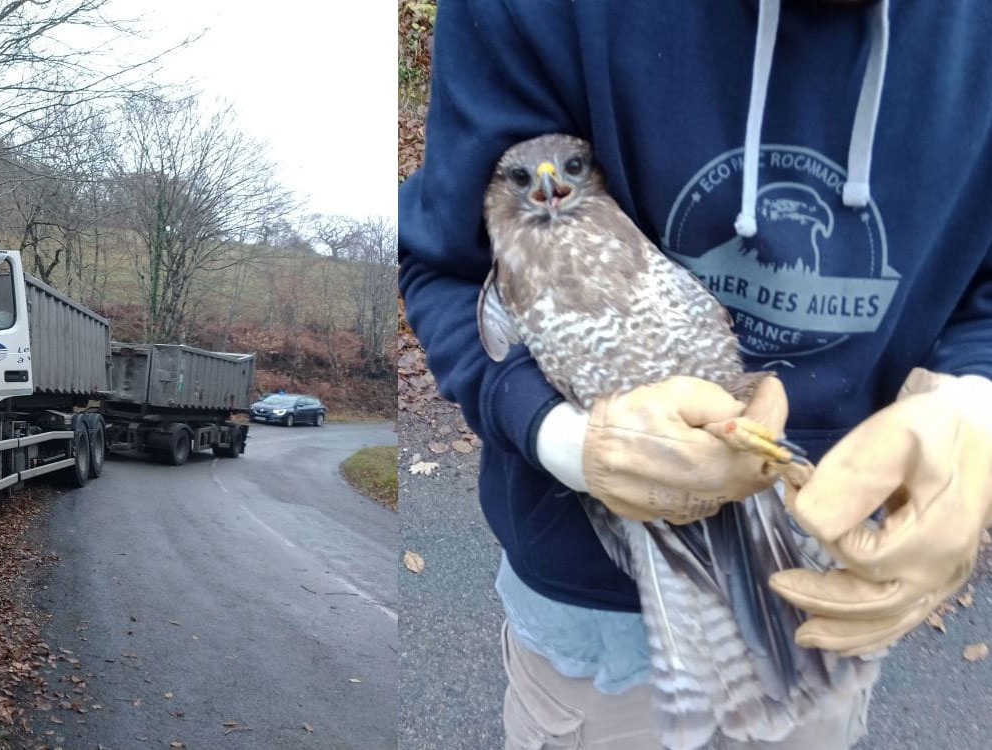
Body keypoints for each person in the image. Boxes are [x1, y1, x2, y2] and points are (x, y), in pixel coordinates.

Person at [397, 0, 992, 748]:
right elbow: (442, 261)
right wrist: (565, 439)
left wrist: (976, 401)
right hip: (601, 619)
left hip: (824, 580)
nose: (550, 187)